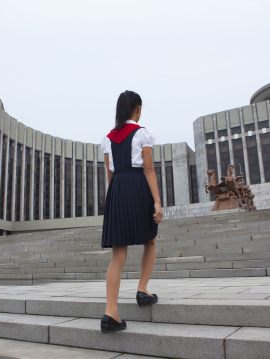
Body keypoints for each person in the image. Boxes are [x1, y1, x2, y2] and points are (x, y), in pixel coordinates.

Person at [100, 90, 163, 334]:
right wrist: (157, 202)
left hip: (116, 190)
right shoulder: (142, 133)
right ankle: (142, 290)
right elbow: (148, 169)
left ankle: (111, 312)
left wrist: (115, 199)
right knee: (151, 239)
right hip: (138, 187)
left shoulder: (107, 138)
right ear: (136, 109)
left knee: (118, 254)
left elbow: (110, 174)